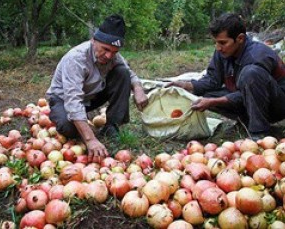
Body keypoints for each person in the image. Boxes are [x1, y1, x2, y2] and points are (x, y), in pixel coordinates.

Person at [46, 14, 148, 163]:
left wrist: (138, 89)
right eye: (105, 49)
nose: (109, 56)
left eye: (114, 52)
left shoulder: (112, 56)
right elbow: (73, 101)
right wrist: (90, 139)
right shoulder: (76, 59)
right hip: (63, 99)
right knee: (68, 128)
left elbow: (130, 73)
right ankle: (66, 116)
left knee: (122, 73)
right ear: (94, 40)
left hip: (90, 96)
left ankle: (112, 125)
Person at [167, 13, 285, 140]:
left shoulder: (257, 55)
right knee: (202, 95)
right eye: (216, 43)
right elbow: (212, 80)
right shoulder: (222, 52)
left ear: (240, 38)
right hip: (247, 98)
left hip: (276, 105)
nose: (218, 48)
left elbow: (250, 90)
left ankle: (259, 132)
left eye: (223, 43)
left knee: (250, 73)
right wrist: (186, 85)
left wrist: (215, 101)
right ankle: (247, 120)